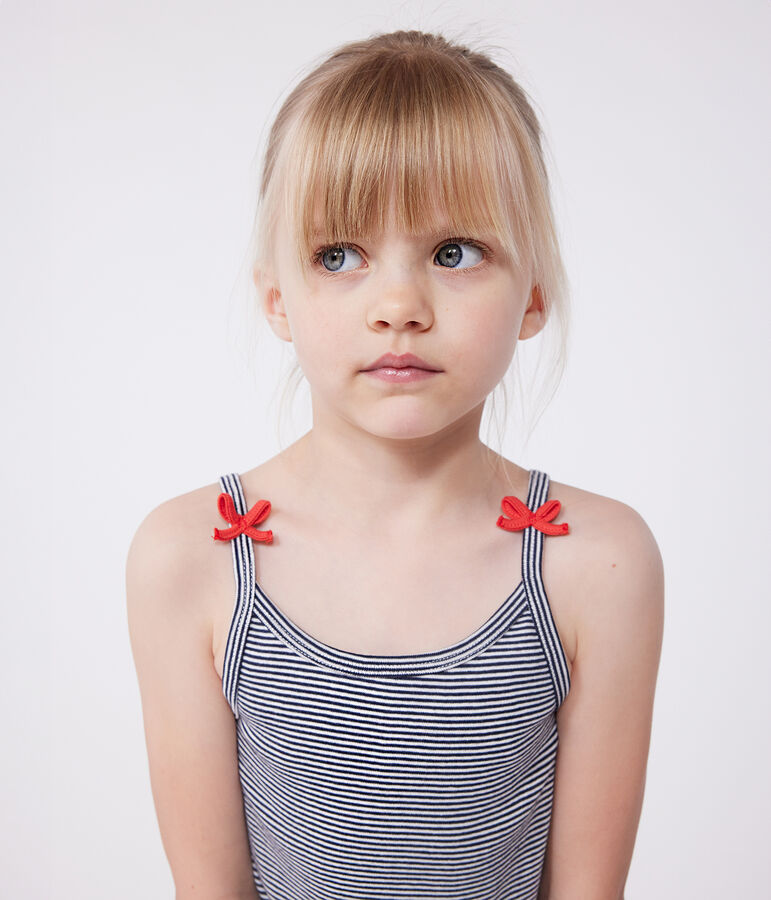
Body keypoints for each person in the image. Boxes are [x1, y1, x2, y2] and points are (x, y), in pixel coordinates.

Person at [126, 28, 665, 900]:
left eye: (454, 253)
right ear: (276, 299)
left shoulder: (595, 563)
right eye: (338, 255)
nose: (398, 306)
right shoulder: (190, 558)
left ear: (532, 293)